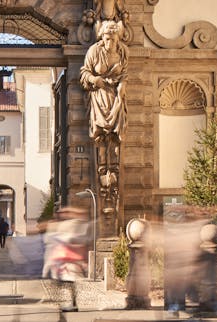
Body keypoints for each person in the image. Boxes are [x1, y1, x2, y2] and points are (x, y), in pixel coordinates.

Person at [80, 19, 128, 211]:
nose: (110, 43)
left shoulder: (123, 52)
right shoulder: (94, 51)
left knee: (115, 137)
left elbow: (124, 73)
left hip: (115, 98)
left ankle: (113, 174)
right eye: (107, 38)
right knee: (99, 136)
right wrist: (94, 79)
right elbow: (84, 73)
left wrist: (123, 84)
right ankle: (102, 172)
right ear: (102, 37)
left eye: (113, 39)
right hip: (99, 98)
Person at [42, 206, 90, 312]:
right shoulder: (65, 225)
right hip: (65, 259)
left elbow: (78, 240)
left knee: (67, 282)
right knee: (65, 282)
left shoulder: (75, 224)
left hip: (70, 259)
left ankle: (70, 303)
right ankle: (70, 303)